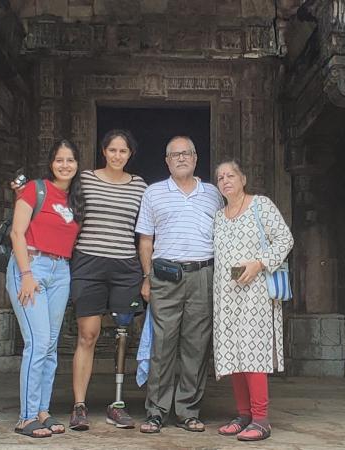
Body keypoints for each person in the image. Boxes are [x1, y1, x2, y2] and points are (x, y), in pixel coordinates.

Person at [135, 136, 223, 434]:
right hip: (164, 276)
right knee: (163, 345)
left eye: (187, 153)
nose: (181, 158)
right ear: (167, 161)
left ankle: (187, 410)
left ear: (196, 158)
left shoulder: (213, 193)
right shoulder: (154, 193)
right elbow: (146, 240)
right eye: (175, 155)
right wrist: (147, 277)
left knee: (196, 346)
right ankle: (156, 411)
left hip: (203, 275)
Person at [68, 129, 147, 430]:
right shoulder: (86, 179)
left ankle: (117, 404)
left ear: (130, 154)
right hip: (89, 263)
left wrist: (146, 273)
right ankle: (79, 406)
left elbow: (146, 230)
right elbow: (67, 213)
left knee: (123, 336)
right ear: (104, 151)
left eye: (123, 151)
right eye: (112, 150)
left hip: (126, 266)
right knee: (88, 333)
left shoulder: (139, 185)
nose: (117, 156)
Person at [211, 160, 294, 441]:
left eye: (230, 175)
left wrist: (260, 263)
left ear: (243, 178)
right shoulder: (219, 216)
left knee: (252, 353)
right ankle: (243, 415)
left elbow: (285, 239)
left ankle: (260, 419)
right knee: (233, 354)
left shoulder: (261, 205)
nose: (225, 180)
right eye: (220, 177)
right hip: (226, 293)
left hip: (256, 293)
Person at [6, 140, 84, 438]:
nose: (65, 165)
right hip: (31, 265)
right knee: (37, 343)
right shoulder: (35, 189)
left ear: (77, 165)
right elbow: (16, 232)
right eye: (60, 160)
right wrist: (26, 274)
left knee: (51, 345)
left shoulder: (74, 198)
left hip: (60, 270)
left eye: (71, 160)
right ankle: (26, 417)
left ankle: (41, 410)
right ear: (51, 163)